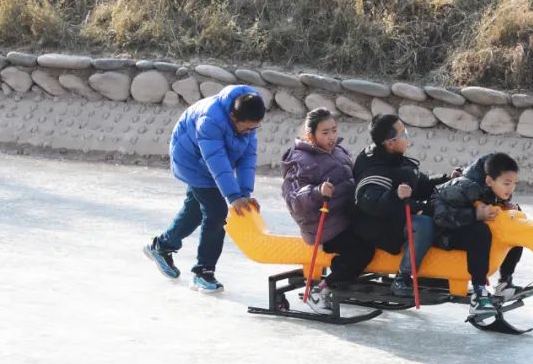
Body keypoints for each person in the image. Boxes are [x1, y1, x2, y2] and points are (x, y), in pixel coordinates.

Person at [143, 85, 265, 293]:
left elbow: (247, 157)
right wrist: (234, 197)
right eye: (246, 128)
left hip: (213, 161)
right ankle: (203, 273)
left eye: (253, 129)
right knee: (217, 212)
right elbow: (215, 159)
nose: (249, 132)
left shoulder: (248, 112)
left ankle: (161, 247)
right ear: (232, 116)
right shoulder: (210, 119)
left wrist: (244, 193)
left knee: (194, 209)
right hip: (191, 161)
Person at [280, 108, 375, 312]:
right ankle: (322, 288)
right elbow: (293, 200)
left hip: (346, 216)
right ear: (310, 135)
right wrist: (316, 192)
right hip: (324, 226)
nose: (332, 136)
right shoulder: (300, 160)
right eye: (325, 132)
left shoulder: (339, 152)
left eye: (333, 130)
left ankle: (343, 277)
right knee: (363, 250)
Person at [351, 114, 456, 297]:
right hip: (376, 227)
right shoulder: (373, 168)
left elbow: (422, 185)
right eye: (404, 134)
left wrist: (449, 180)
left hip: (394, 218)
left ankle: (430, 273)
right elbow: (371, 203)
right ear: (390, 143)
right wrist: (397, 196)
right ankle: (403, 277)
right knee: (422, 223)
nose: (408, 137)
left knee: (438, 213)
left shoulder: (395, 159)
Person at [433, 152, 533, 315]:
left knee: (515, 223)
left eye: (514, 184)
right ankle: (479, 293)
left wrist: (509, 208)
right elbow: (439, 216)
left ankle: (505, 283)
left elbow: (492, 203)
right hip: (442, 234)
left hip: (461, 229)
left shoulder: (493, 188)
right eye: (507, 183)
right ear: (489, 181)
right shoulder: (464, 188)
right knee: (479, 231)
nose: (510, 189)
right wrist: (474, 215)